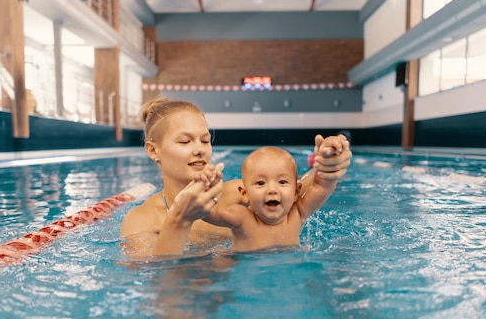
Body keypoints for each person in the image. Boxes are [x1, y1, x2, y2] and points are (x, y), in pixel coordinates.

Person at [120, 96, 351, 259]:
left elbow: (292, 190)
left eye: (205, 140)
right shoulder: (142, 219)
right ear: (153, 150)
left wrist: (325, 167)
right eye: (185, 141)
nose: (200, 149)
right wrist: (179, 219)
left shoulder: (234, 193)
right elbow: (153, 279)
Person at [202, 144, 342, 252]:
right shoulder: (242, 218)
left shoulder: (298, 213)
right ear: (245, 194)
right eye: (260, 183)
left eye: (282, 182)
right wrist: (206, 189)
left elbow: (321, 187)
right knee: (222, 260)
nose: (272, 190)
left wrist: (329, 164)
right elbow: (209, 213)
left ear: (296, 191)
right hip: (243, 265)